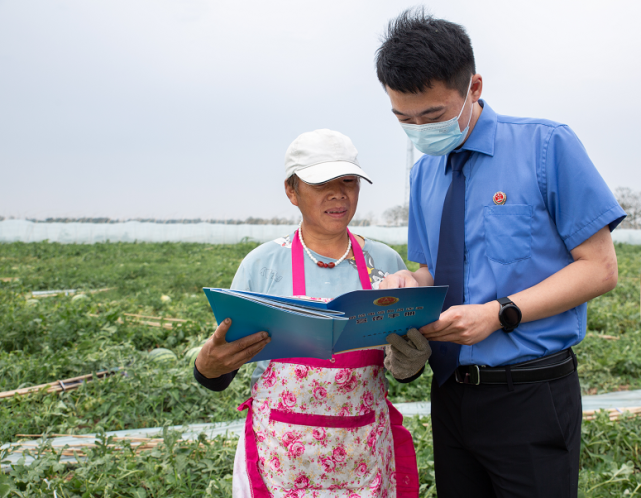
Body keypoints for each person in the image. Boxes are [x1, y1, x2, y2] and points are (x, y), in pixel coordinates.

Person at [375, 9, 626, 498]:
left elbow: (599, 268)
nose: (420, 130)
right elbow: (434, 267)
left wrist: (500, 313)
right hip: (449, 393)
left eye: (433, 116)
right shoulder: (426, 173)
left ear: (474, 87)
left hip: (529, 395)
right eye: (404, 119)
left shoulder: (546, 146)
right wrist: (408, 283)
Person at [194, 129, 428, 497]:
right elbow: (222, 367)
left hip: (362, 453)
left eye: (348, 181)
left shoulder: (386, 264)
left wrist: (408, 363)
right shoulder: (263, 265)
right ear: (291, 191)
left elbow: (399, 369)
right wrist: (207, 367)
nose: (338, 193)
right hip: (282, 456)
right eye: (322, 183)